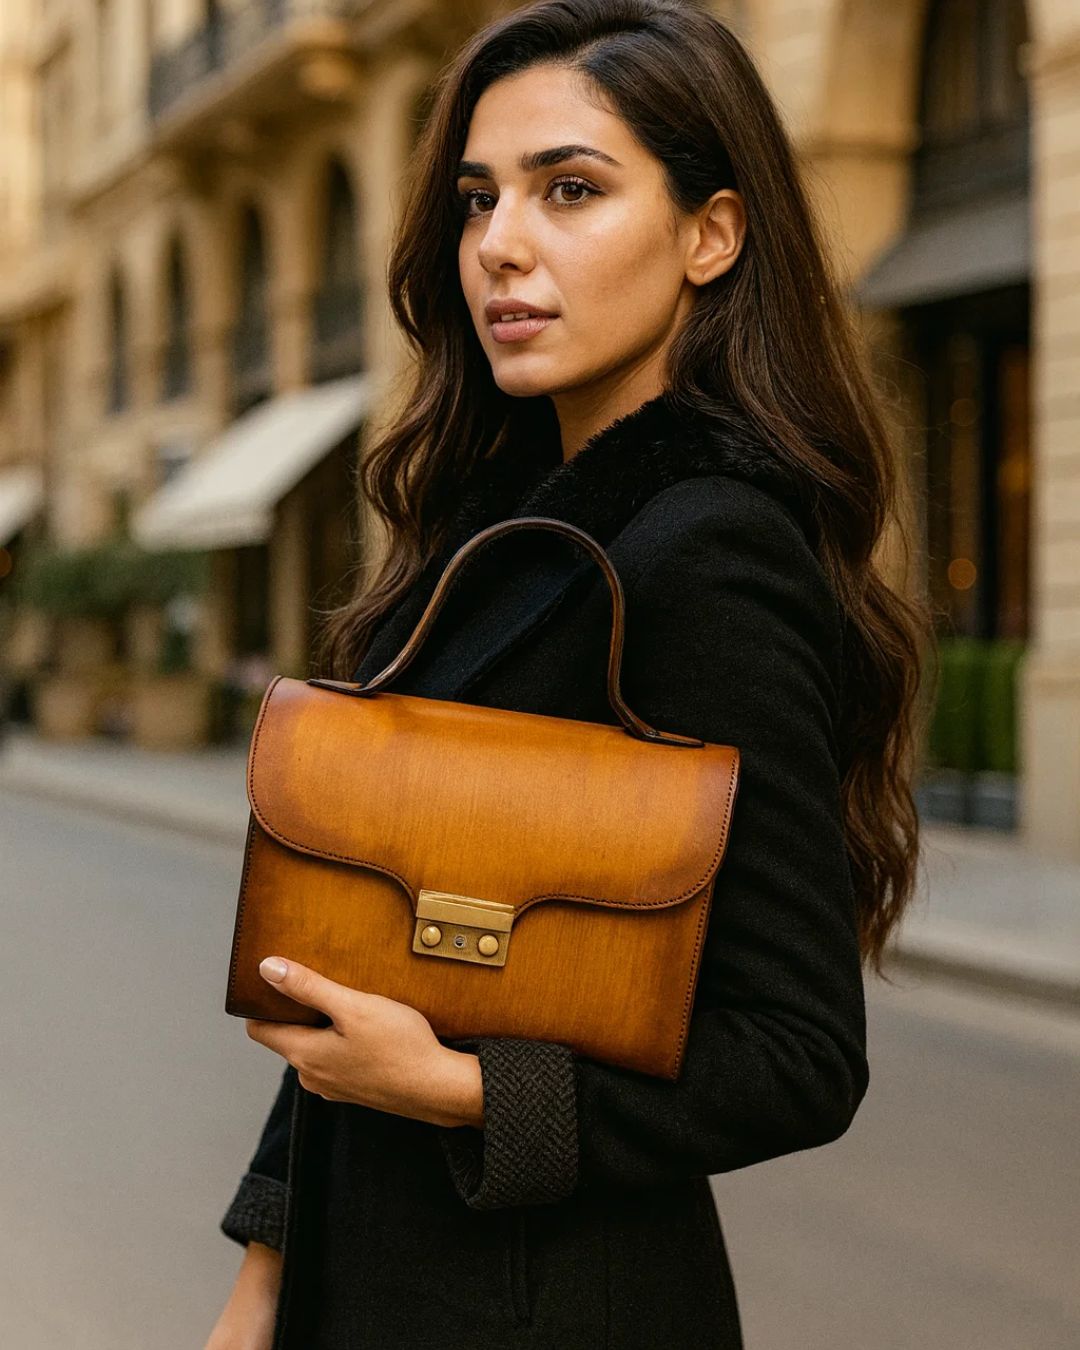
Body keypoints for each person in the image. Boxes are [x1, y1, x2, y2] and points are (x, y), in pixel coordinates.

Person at [204, 2, 928, 1346]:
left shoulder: (705, 548)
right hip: (365, 1277)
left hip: (545, 1301)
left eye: (571, 190)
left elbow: (798, 1055)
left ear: (712, 234)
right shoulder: (502, 534)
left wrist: (464, 1088)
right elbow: (357, 950)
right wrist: (262, 1276)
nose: (500, 245)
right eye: (479, 199)